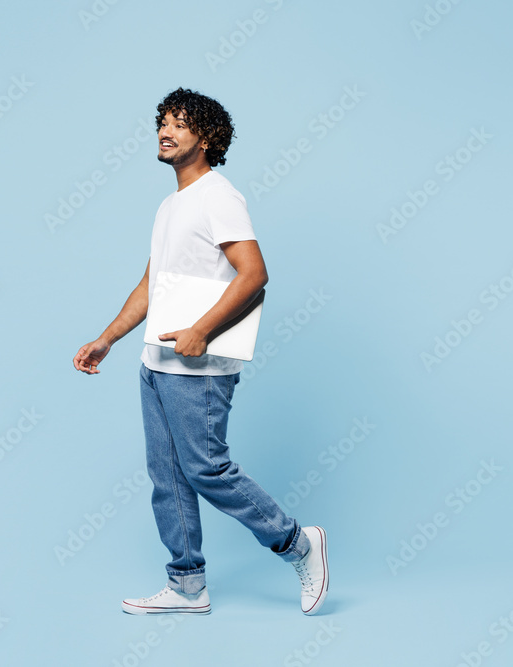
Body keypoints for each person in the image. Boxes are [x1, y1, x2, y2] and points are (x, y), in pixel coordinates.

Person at [72, 87, 328, 616]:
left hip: (198, 367)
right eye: (161, 121)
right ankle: (187, 583)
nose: (165, 130)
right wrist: (108, 338)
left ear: (207, 138)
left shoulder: (218, 195)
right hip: (156, 362)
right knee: (166, 475)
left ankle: (298, 543)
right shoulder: (171, 205)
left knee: (206, 468)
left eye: (178, 123)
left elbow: (255, 275)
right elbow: (151, 283)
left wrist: (202, 331)